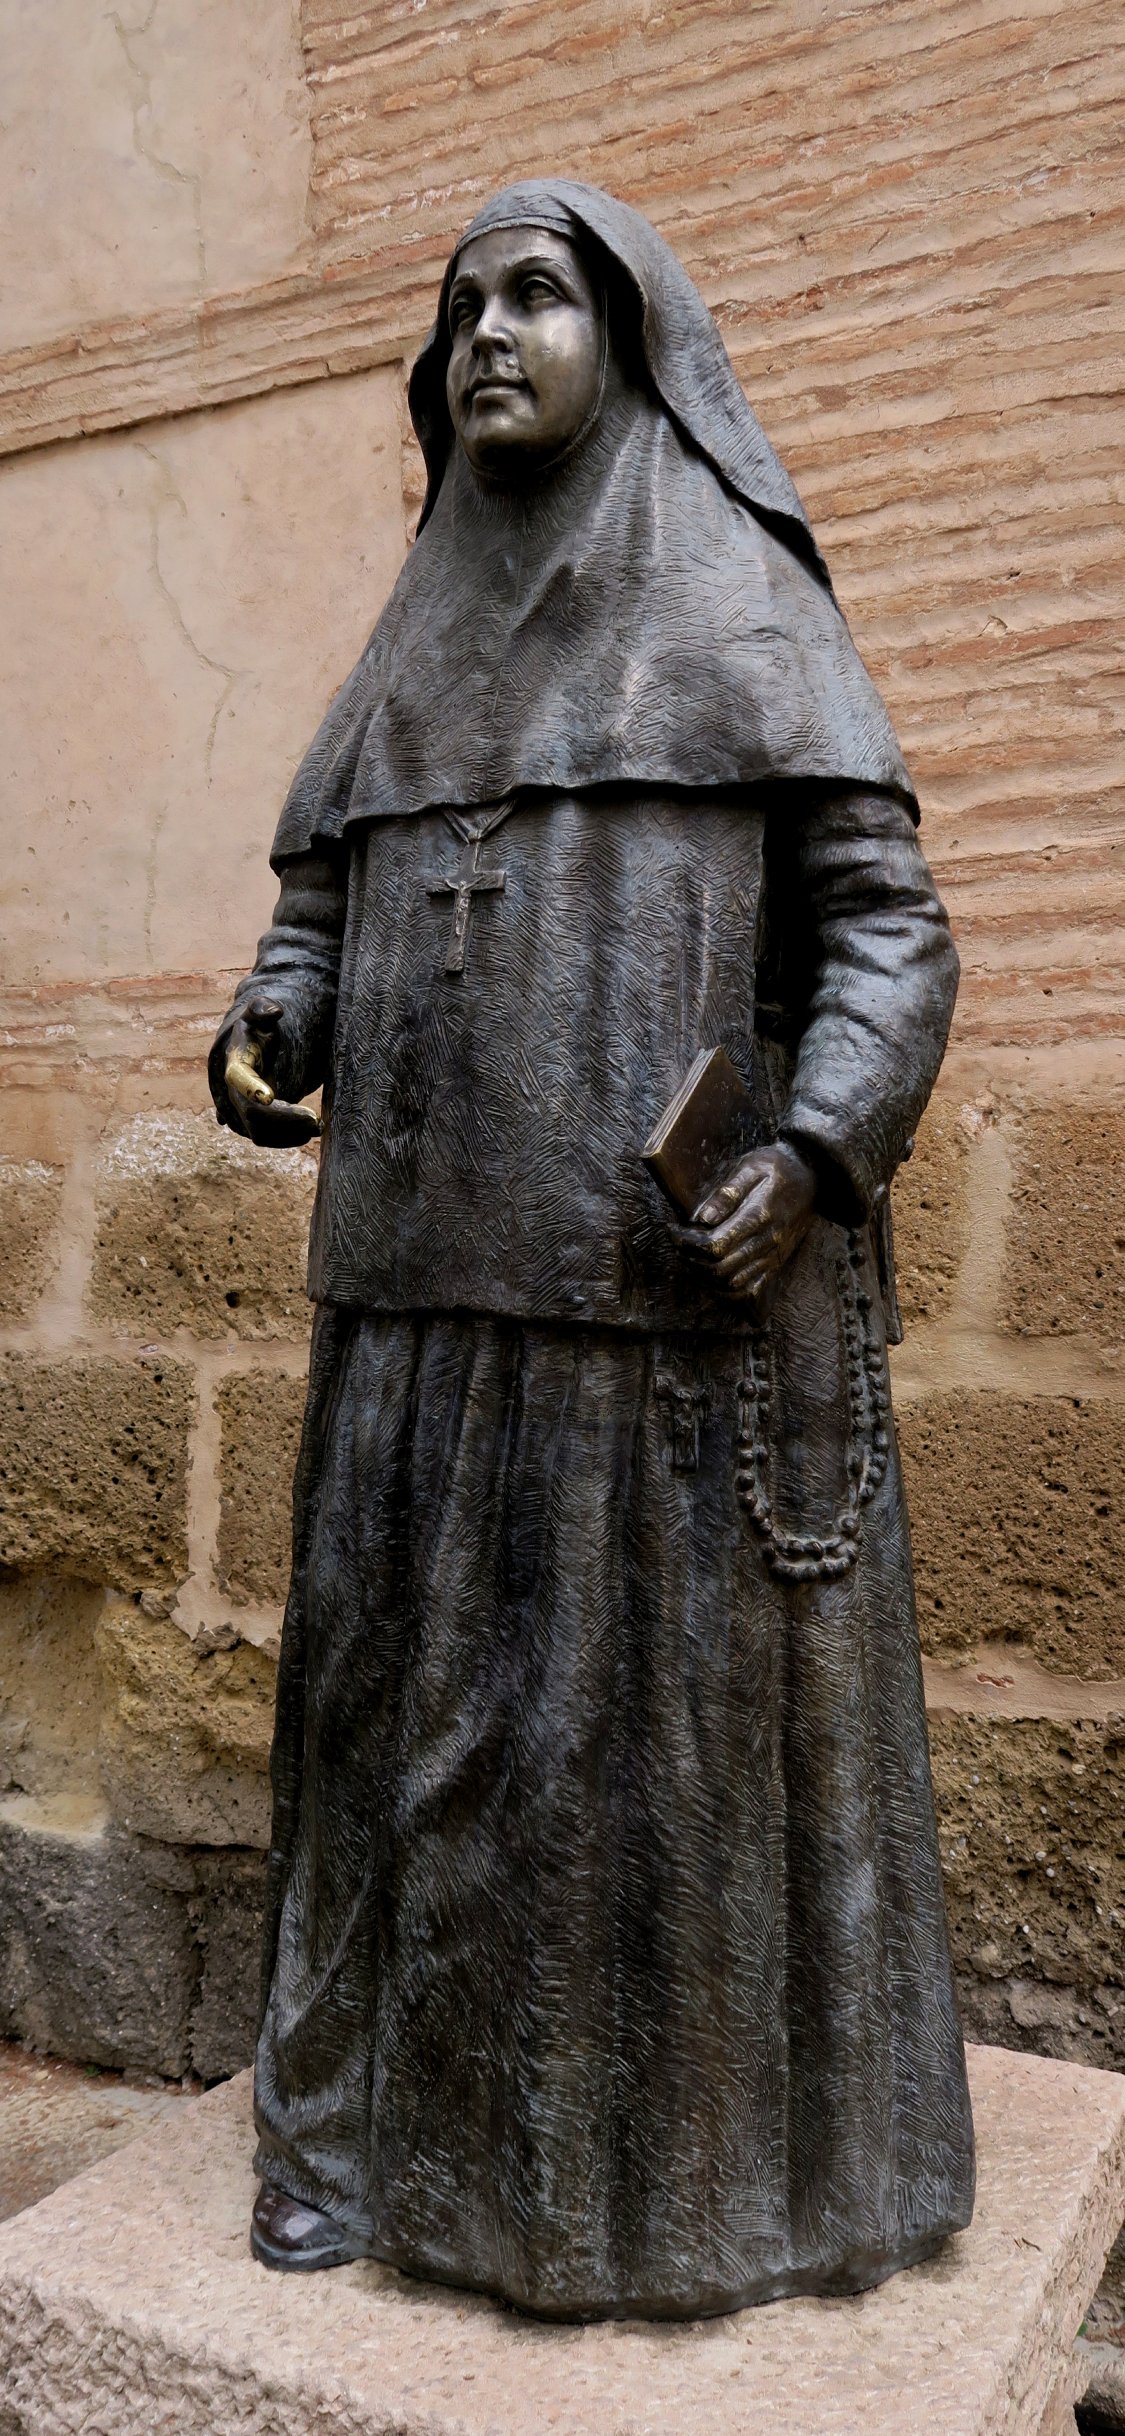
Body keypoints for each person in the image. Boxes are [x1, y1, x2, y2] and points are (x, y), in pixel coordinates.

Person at [209, 179, 974, 2320]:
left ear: (632, 344)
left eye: (538, 296)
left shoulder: (740, 605)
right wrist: (276, 1021)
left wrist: (814, 1151)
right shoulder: (409, 636)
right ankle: (346, 2150)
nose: (487, 332)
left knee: (611, 1780)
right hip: (405, 1304)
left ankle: (643, 2197)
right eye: (463, 303)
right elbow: (318, 910)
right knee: (372, 1736)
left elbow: (887, 930)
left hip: (644, 1311)